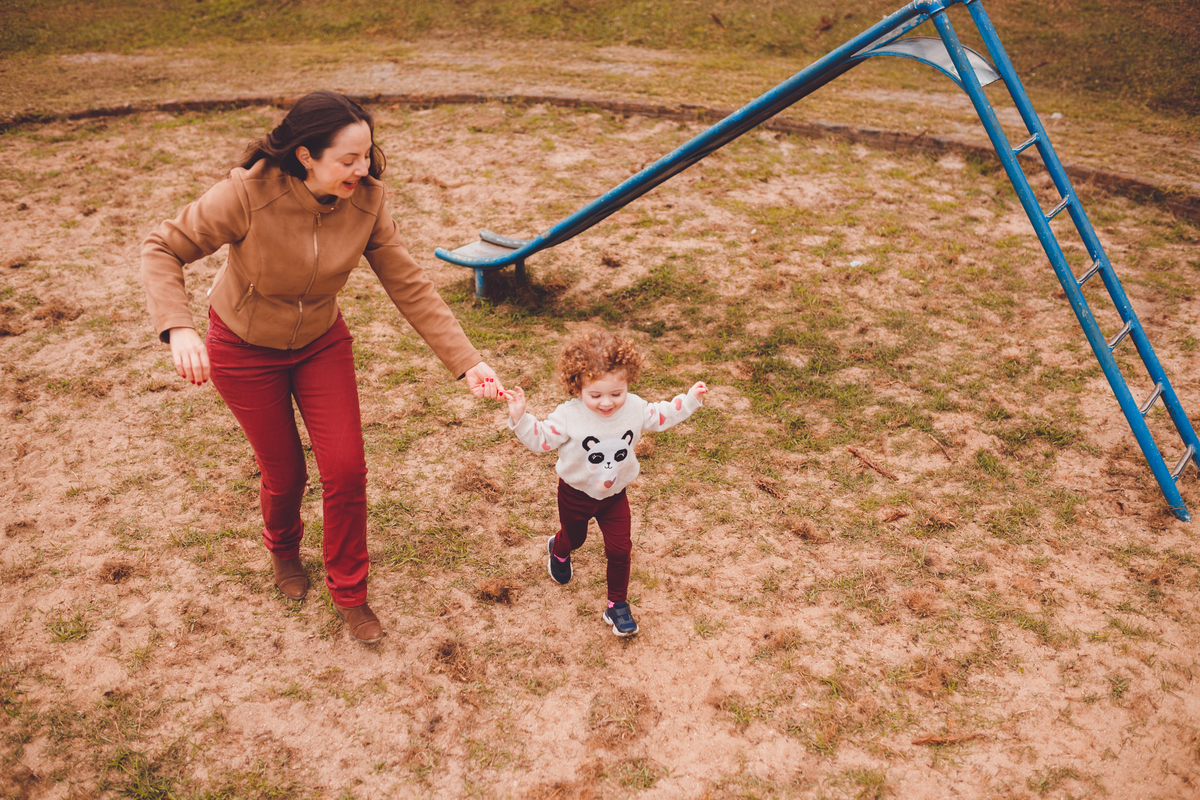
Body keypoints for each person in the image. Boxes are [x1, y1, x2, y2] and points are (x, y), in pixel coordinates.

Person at [140, 91, 504, 644]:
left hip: (319, 343)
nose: (362, 169)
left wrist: (467, 361)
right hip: (242, 348)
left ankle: (350, 593)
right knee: (286, 473)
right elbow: (162, 247)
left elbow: (408, 283)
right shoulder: (246, 193)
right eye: (348, 159)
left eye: (367, 155)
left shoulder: (367, 201)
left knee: (346, 469)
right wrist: (179, 326)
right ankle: (283, 548)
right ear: (306, 156)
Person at [502, 329, 706, 636]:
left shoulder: (635, 408)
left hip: (615, 496)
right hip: (575, 494)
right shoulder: (569, 416)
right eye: (595, 395)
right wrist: (521, 418)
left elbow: (663, 415)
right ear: (578, 386)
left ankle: (617, 606)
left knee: (621, 549)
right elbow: (542, 440)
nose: (607, 403)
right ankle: (559, 548)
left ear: (628, 383)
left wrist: (689, 401)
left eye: (616, 393)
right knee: (576, 539)